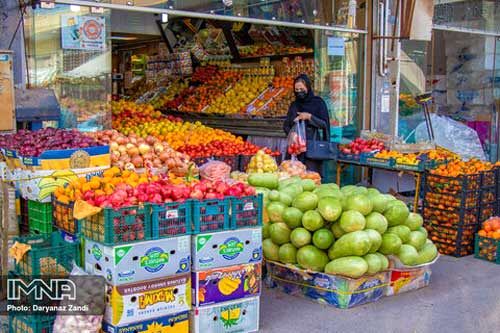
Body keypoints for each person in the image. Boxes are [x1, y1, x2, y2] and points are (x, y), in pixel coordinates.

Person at [284, 74, 330, 177]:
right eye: (296, 89)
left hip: (312, 148)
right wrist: (291, 134)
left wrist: (309, 117)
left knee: (311, 178)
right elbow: (286, 125)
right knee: (294, 177)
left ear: (308, 87)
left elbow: (324, 124)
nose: (299, 91)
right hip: (296, 148)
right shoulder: (294, 105)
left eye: (301, 88)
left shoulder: (318, 103)